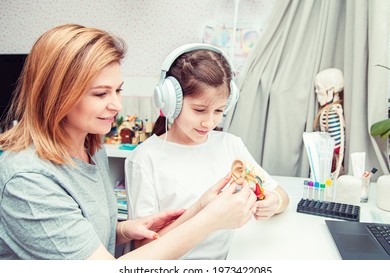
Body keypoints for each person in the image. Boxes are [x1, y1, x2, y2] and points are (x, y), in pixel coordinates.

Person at [0, 24, 257, 260]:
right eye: (101, 94)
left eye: (118, 90)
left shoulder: (90, 147)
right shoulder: (28, 180)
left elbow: (80, 234)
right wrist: (209, 220)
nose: (117, 105)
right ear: (56, 95)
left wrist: (123, 230)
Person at [125, 43, 290, 260]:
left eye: (219, 111)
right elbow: (143, 247)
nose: (209, 122)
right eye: (199, 110)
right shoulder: (145, 159)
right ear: (170, 102)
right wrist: (207, 217)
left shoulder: (230, 146)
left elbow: (280, 194)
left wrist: (272, 203)